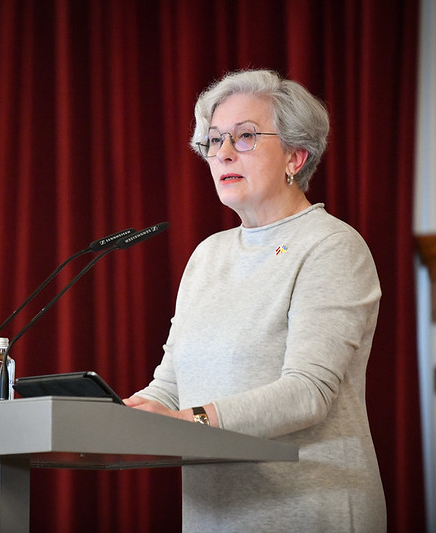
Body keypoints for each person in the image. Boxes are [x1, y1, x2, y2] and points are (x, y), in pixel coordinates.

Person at [123, 69, 386, 532]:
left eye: (245, 136)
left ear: (295, 156)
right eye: (214, 140)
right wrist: (118, 415)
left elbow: (307, 393)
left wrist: (187, 422)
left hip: (309, 510)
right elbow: (172, 387)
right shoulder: (208, 256)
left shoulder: (330, 246)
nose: (223, 153)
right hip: (212, 514)